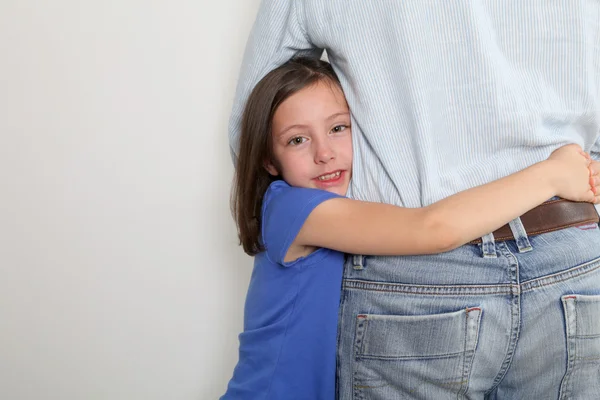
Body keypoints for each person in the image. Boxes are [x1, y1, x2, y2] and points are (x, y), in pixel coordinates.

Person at [227, 3, 600, 398]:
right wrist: (556, 174)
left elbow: (251, 115)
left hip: (417, 284)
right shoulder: (296, 211)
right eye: (298, 139)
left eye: (339, 127)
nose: (325, 153)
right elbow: (433, 228)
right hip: (571, 257)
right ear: (269, 157)